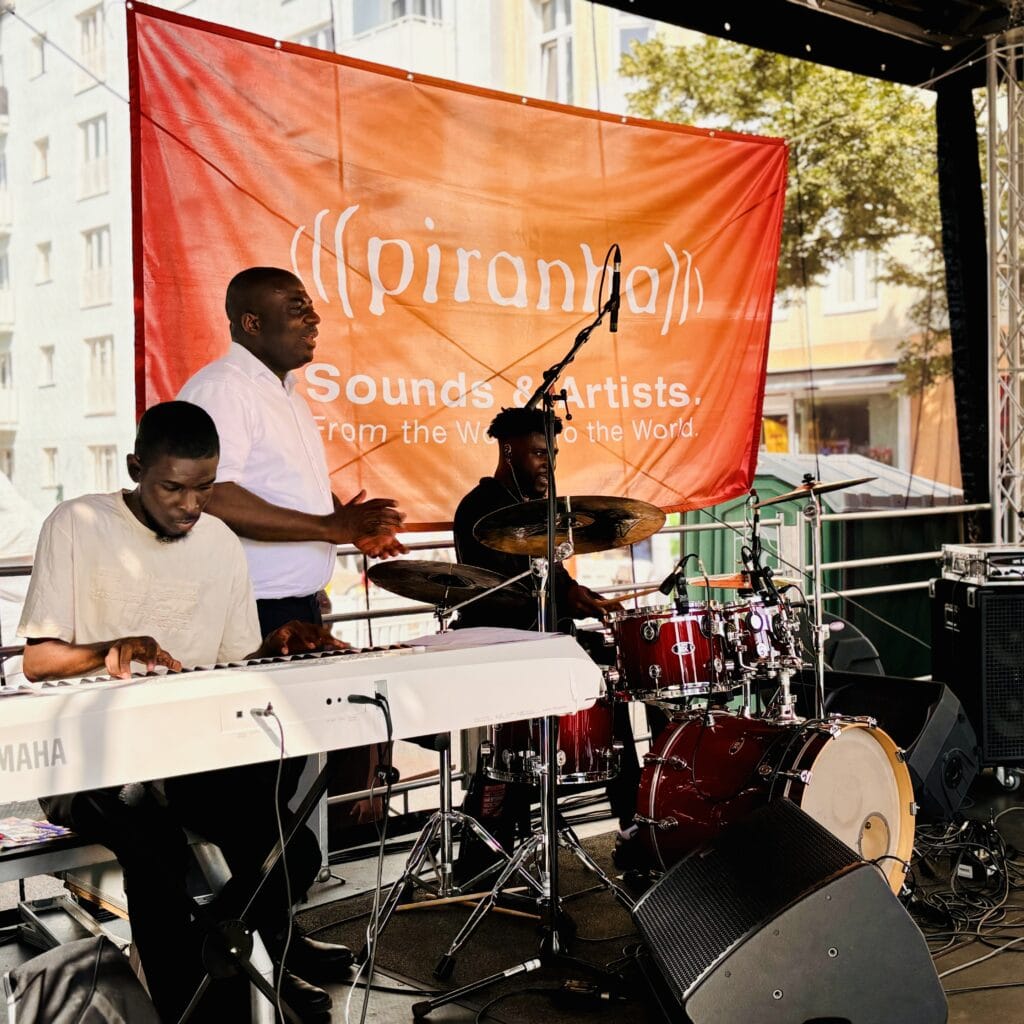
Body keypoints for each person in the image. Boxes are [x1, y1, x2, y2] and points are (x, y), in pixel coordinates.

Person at [19, 402, 349, 1024]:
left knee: (290, 850)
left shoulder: (219, 541)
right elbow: (38, 661)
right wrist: (110, 647)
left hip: (188, 752)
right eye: (173, 488)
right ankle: (197, 1001)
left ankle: (223, 961)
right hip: (88, 759)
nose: (190, 505)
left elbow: (235, 660)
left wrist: (277, 647)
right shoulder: (77, 523)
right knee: (156, 852)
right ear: (135, 468)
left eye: (204, 488)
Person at [178, 266, 408, 838]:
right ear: (252, 323)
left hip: (295, 608)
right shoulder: (225, 389)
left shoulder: (282, 392)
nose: (314, 318)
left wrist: (348, 526)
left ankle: (269, 891)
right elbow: (214, 495)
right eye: (297, 307)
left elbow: (286, 490)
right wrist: (330, 526)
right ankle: (243, 894)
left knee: (285, 772)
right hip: (253, 614)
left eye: (310, 306)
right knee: (251, 784)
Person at [451, 407, 642, 854]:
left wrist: (584, 597)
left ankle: (635, 819)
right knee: (521, 746)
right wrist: (559, 604)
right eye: (539, 453)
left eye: (552, 454)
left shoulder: (537, 512)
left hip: (545, 644)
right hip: (502, 645)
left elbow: (554, 578)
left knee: (622, 672)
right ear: (508, 451)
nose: (548, 464)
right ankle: (488, 841)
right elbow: (496, 593)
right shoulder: (480, 509)